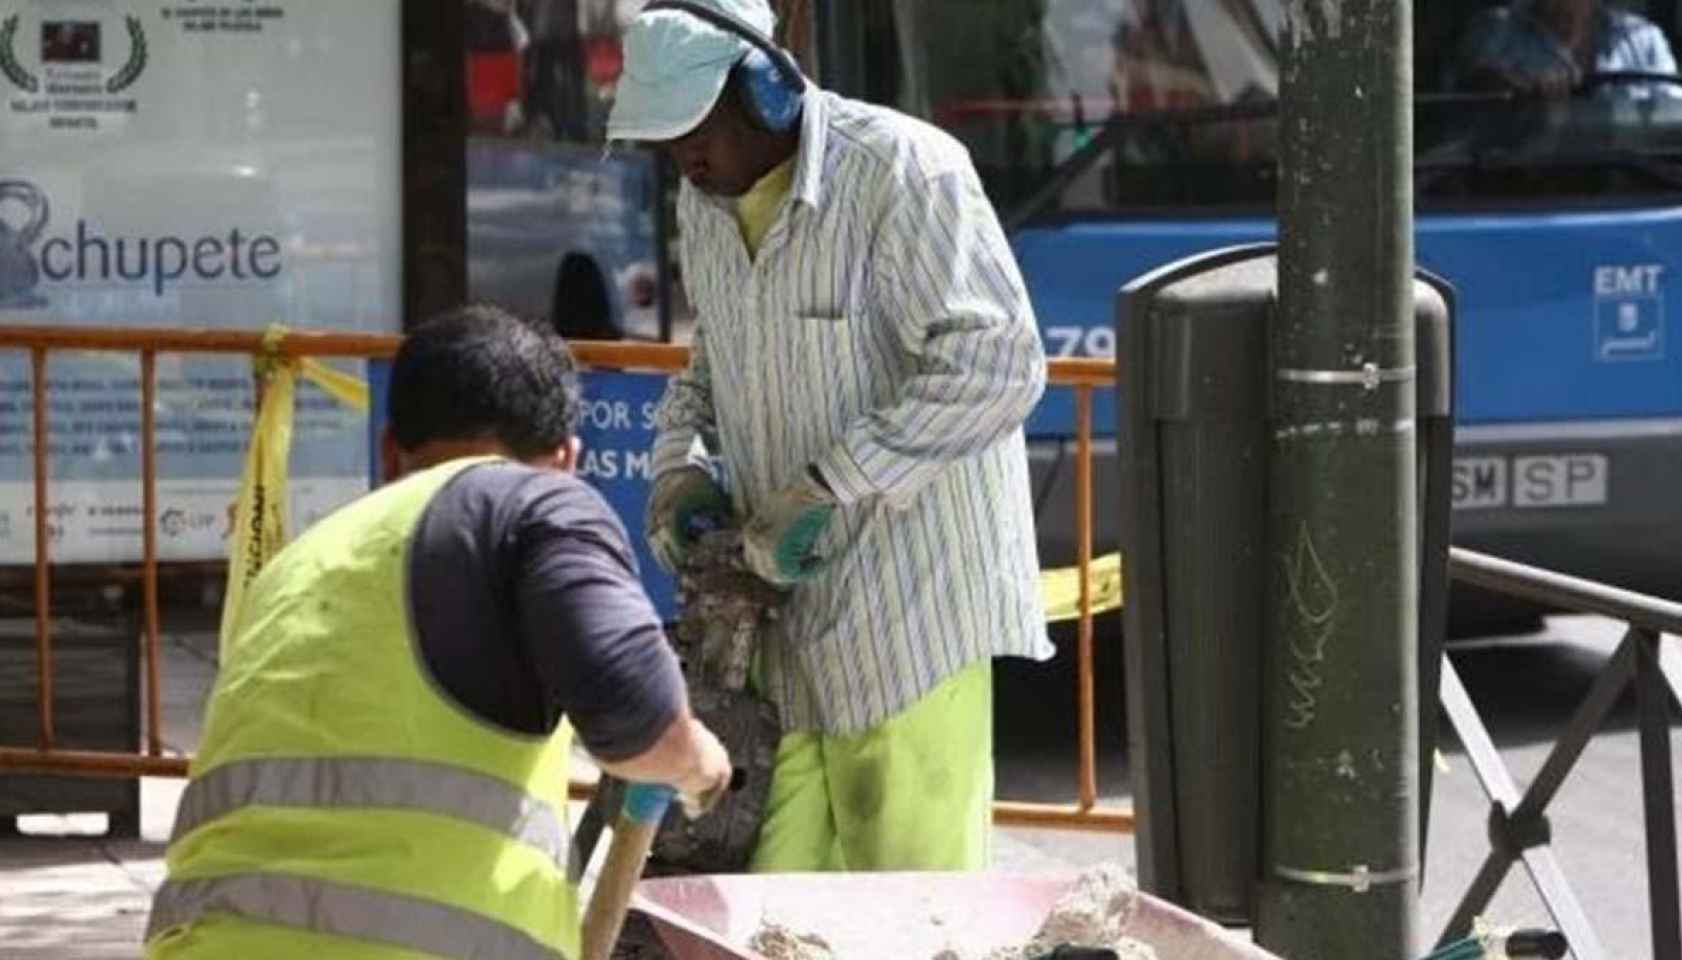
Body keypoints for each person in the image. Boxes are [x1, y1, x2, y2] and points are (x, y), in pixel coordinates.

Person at [608, 0, 1053, 873]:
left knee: (911, 909)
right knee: (773, 908)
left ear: (765, 92)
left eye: (697, 131)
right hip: (781, 637)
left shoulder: (904, 173)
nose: (684, 161)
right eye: (665, 144)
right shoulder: (709, 204)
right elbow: (711, 368)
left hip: (912, 618)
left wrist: (831, 483)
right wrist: (678, 470)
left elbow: (999, 363)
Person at [143, 304, 730, 960]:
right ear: (566, 458)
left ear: (390, 450)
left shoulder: (296, 568)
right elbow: (638, 721)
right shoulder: (535, 502)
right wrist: (698, 762)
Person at [1456, 0, 1682, 99]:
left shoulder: (1644, 39)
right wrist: (1511, 90)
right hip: (1519, 187)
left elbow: (1676, 128)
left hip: (1632, 186)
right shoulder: (1494, 31)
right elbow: (1465, 109)